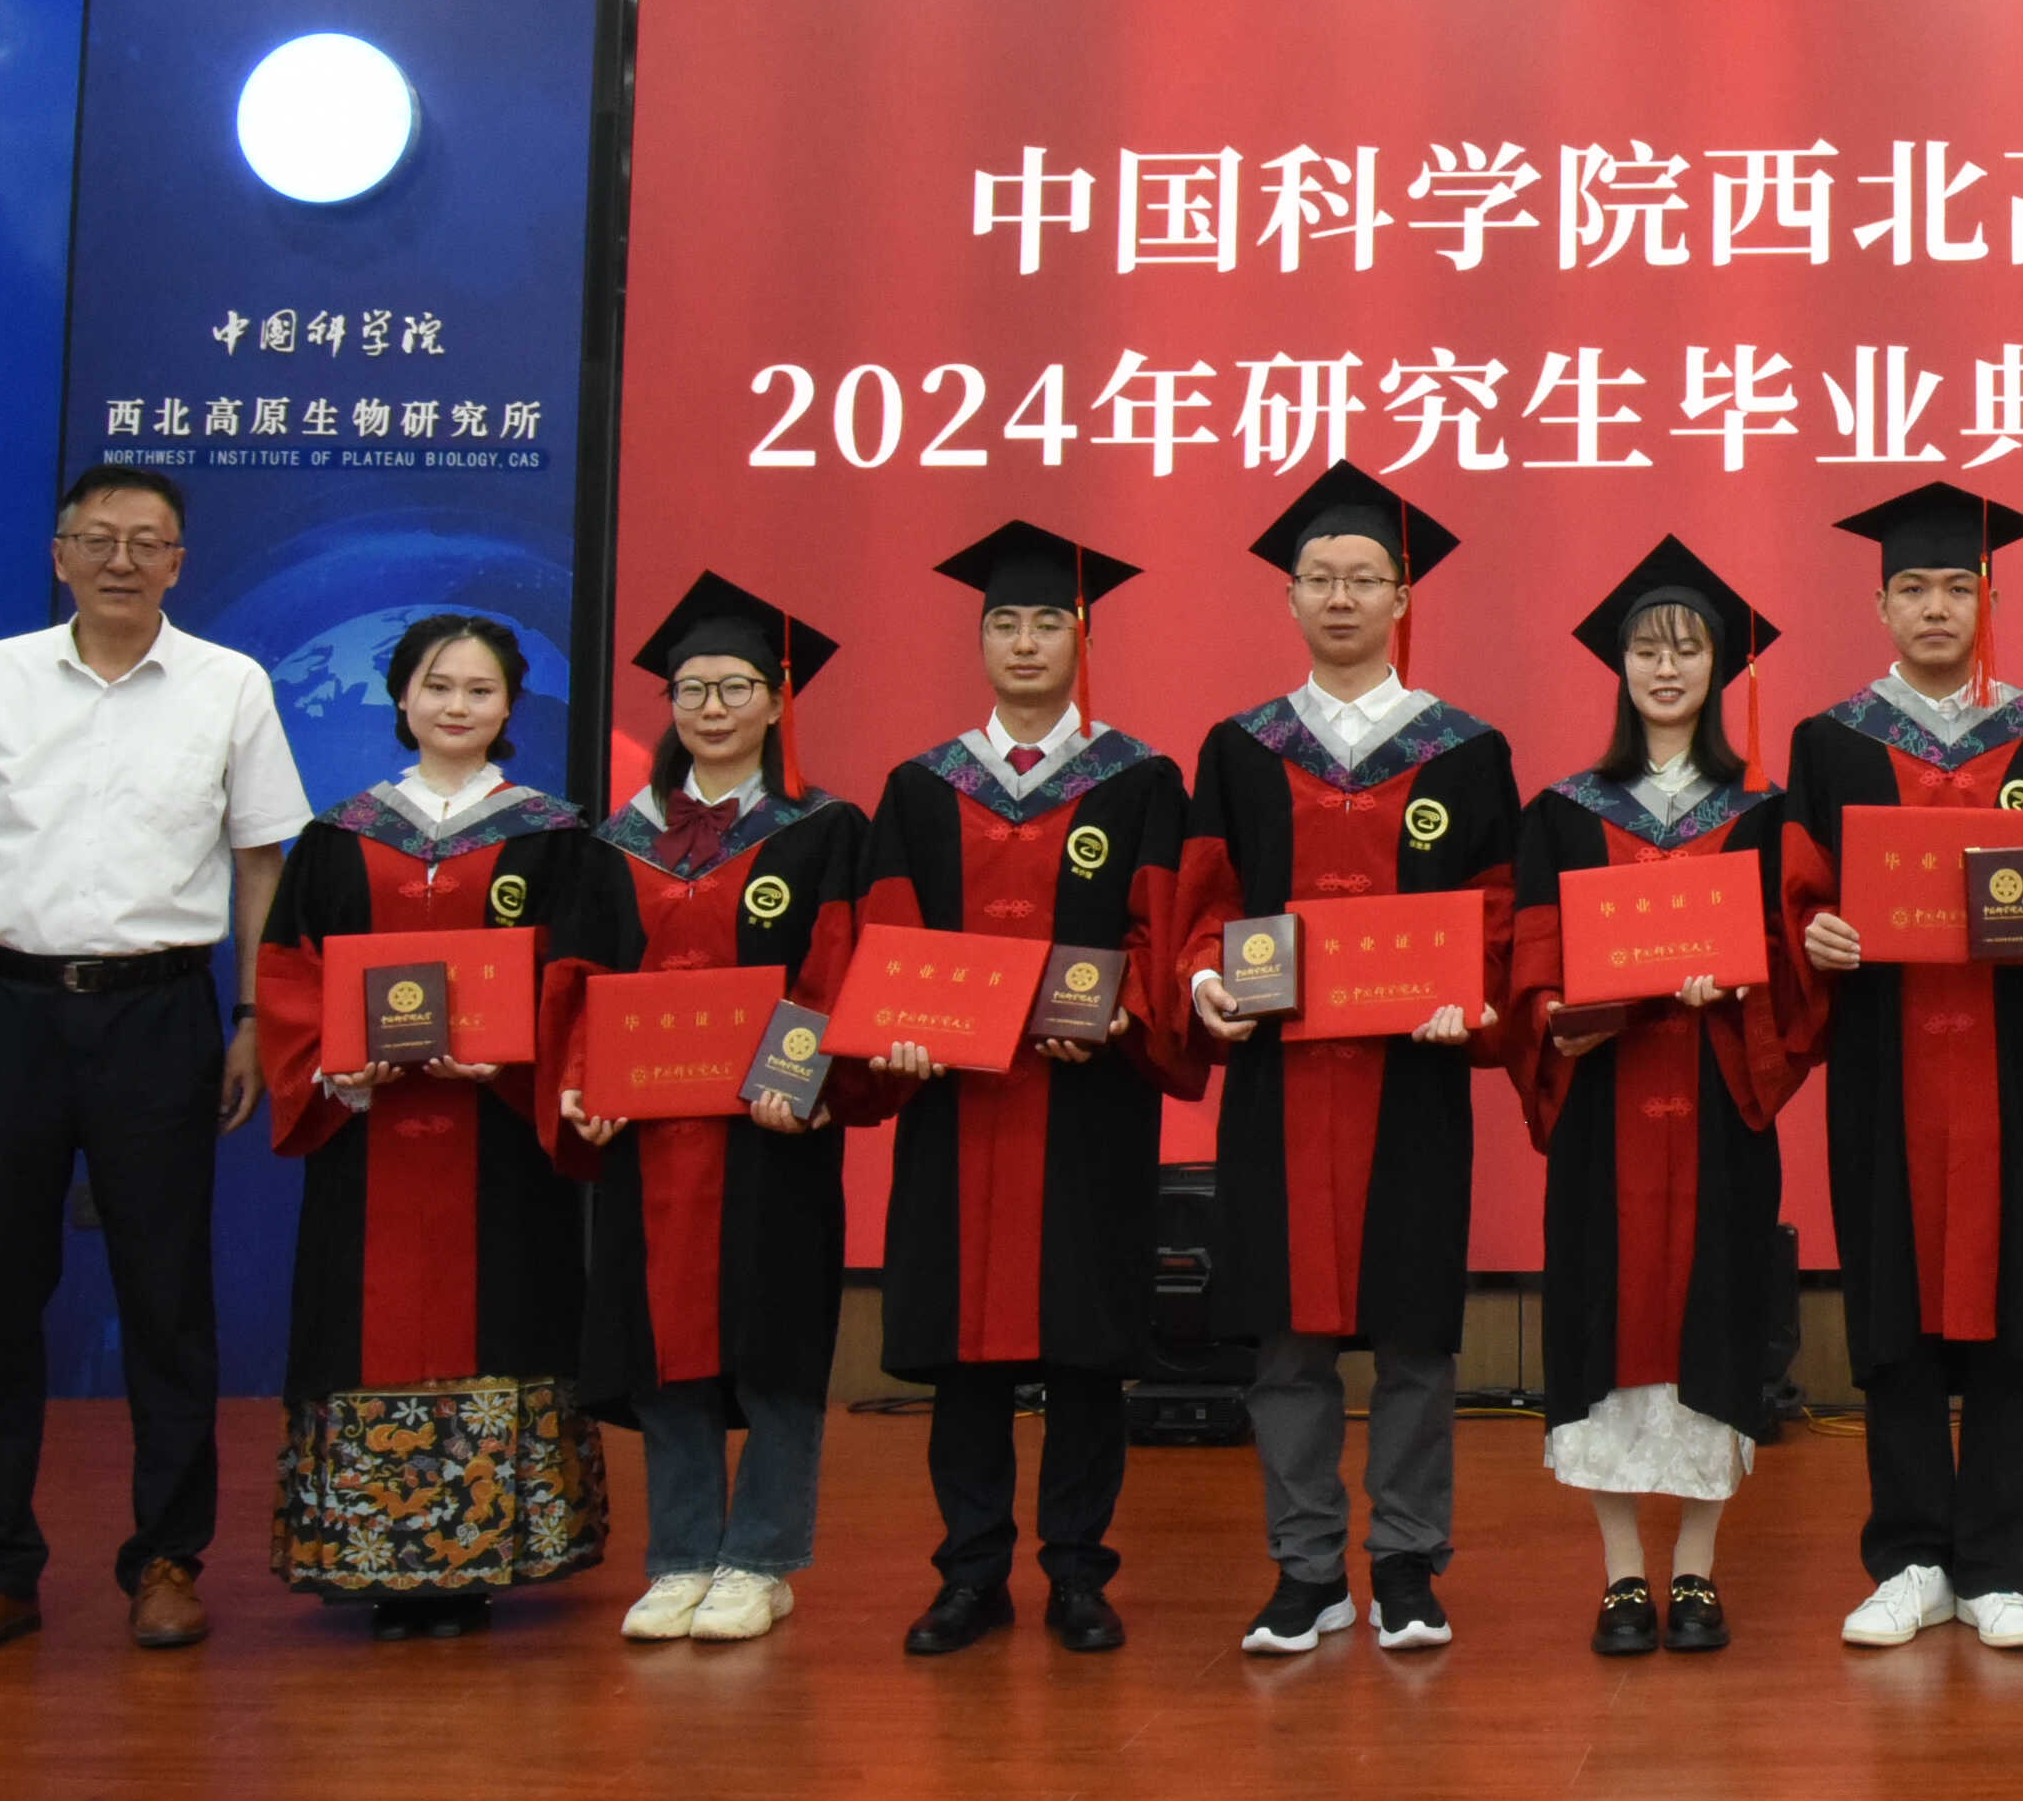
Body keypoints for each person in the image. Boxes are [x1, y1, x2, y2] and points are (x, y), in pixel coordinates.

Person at [0, 464, 310, 1665]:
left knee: (167, 1298)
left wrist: (251, 1017)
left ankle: (167, 1561)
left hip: (161, 1015)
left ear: (180, 563)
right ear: (60, 554)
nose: (122, 560)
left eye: (147, 542)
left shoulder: (229, 685)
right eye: (99, 538)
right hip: (7, 1013)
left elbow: (262, 866)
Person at [1175, 464, 1517, 1658]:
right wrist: (1206, 981)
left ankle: (1409, 1563)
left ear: (1401, 597)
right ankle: (1307, 1569)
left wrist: (1471, 995)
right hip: (1282, 1081)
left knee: (1416, 1333)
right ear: (1289, 599)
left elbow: (1498, 909)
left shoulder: (1465, 752)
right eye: (1318, 579)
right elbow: (1205, 905)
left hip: (1412, 1077)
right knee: (1286, 1334)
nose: (1339, 597)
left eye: (1362, 579)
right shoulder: (1240, 749)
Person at [1778, 482, 2023, 1651]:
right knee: (1892, 1303)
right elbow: (1799, 891)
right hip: (1885, 1063)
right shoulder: (1831, 743)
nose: (1934, 607)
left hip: (2013, 1064)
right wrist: (1813, 933)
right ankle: (1910, 1558)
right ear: (1880, 606)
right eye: (1912, 588)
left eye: (1957, 588)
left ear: (1987, 600)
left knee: (2014, 1304)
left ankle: (2000, 1565)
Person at [863, 520, 1192, 1658]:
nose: (1024, 641)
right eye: (1004, 621)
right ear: (982, 640)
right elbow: (889, 937)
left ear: (1080, 638)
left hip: (1085, 1103)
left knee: (1084, 1345)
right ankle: (971, 1575)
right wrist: (901, 1033)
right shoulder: (920, 788)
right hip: (957, 1106)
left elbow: (1159, 934)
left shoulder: (1139, 781)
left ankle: (1078, 1573)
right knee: (966, 1353)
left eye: (1048, 621)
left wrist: (1120, 1013)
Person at [251, 613, 605, 1637]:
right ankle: (371, 1557)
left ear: (510, 705)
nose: (457, 706)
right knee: (365, 1313)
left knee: (503, 1308)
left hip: (500, 1141)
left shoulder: (552, 835)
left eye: (480, 690)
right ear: (402, 697)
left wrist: (518, 1052)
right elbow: (290, 977)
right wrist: (337, 1064)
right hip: (367, 1135)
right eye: (437, 686)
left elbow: (579, 979)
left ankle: (485, 1555)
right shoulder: (339, 836)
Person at [551, 574, 872, 1644]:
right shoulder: (616, 842)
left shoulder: (822, 829)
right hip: (650, 1138)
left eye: (736, 687)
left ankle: (761, 1558)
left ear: (777, 701)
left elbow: (835, 969)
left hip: (769, 1136)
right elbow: (580, 978)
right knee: (664, 1344)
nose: (713, 707)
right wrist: (587, 1080)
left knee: (775, 1343)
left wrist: (799, 1079)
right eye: (692, 689)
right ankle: (682, 1556)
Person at [1504, 538, 1803, 1656]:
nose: (1665, 668)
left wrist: (1744, 983)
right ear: (1619, 666)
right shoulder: (1564, 812)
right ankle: (1623, 1575)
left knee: (1717, 1313)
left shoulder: (1764, 810)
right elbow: (1533, 961)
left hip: (1719, 1101)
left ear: (1720, 666)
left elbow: (1793, 961)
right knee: (1603, 1313)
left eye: (1687, 649)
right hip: (1605, 1107)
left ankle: (1698, 1571)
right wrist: (1573, 1007)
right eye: (1645, 649)